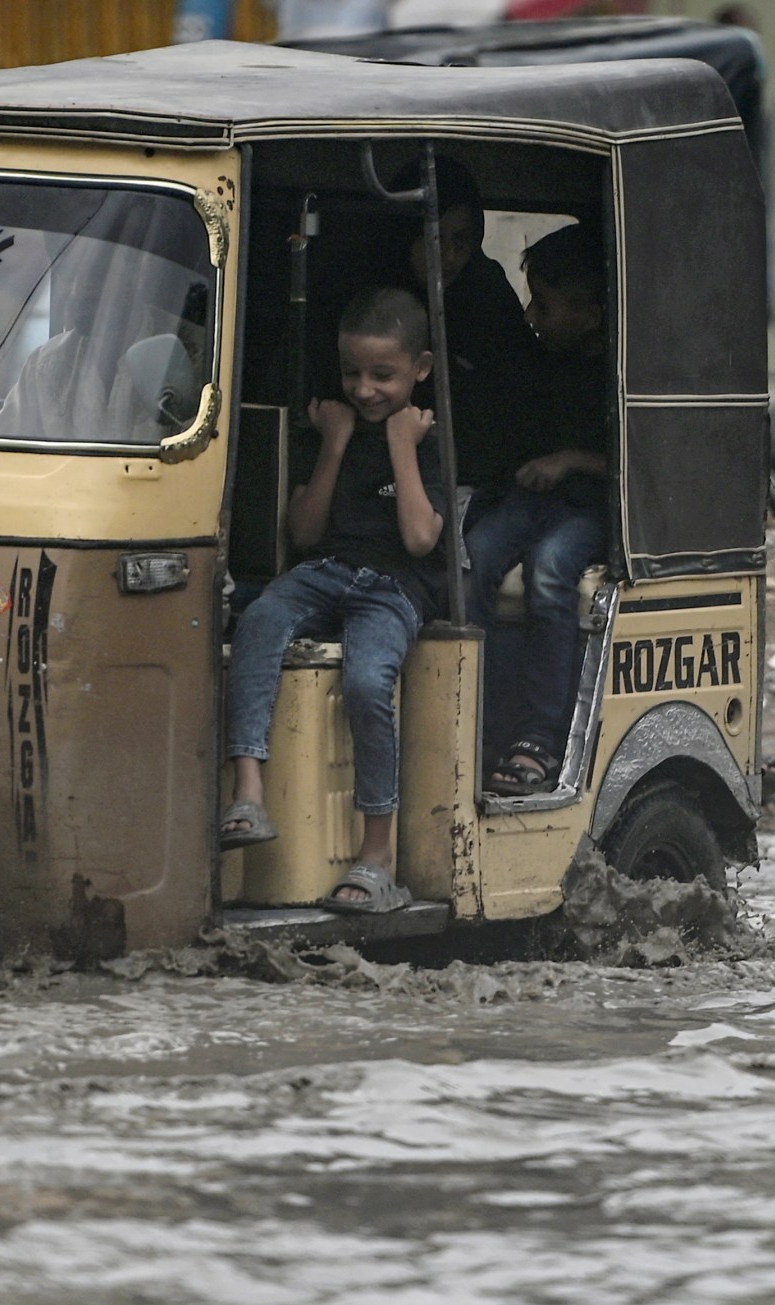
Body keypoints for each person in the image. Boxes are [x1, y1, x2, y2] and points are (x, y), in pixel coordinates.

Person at [219, 286, 447, 915]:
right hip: (328, 568)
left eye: (384, 376)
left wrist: (402, 445)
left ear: (420, 370)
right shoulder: (334, 424)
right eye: (353, 373)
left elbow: (421, 537)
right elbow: (305, 531)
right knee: (260, 618)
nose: (366, 390)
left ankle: (378, 856)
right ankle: (248, 792)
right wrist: (334, 444)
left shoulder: (427, 433)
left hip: (393, 588)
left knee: (369, 682)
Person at [464, 224, 609, 795]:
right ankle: (481, 723)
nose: (530, 316)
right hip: (532, 501)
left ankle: (540, 736)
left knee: (551, 570)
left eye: (543, 305)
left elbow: (635, 462)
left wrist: (570, 460)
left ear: (593, 315)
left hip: (588, 511)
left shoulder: (619, 371)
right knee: (473, 559)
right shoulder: (539, 356)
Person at [383, 157, 540, 505]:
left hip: (476, 484)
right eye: (435, 239)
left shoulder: (486, 294)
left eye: (462, 241)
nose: (450, 258)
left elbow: (519, 399)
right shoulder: (372, 291)